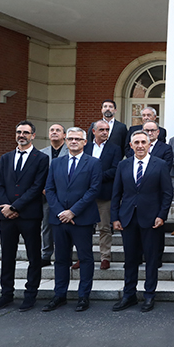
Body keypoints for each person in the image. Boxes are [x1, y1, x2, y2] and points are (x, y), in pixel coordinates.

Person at [0, 121, 49, 312]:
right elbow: (0, 185)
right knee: (7, 256)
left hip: (29, 215)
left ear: (33, 135)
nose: (21, 135)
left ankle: (30, 294)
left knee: (33, 256)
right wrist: (6, 207)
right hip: (6, 216)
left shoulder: (41, 159)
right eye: (18, 132)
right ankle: (6, 294)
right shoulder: (5, 158)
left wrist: (15, 206)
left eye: (25, 132)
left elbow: (37, 187)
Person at [111, 130, 173, 313]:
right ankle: (129, 294)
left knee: (151, 259)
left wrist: (162, 215)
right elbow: (116, 193)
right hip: (128, 218)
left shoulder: (160, 164)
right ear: (131, 146)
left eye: (143, 142)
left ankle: (149, 295)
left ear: (148, 145)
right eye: (136, 142)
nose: (139, 146)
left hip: (152, 219)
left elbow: (167, 193)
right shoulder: (123, 165)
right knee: (130, 259)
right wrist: (114, 217)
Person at [42, 127, 102, 312]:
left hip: (82, 219)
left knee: (85, 258)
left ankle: (83, 296)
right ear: (66, 141)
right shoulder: (56, 163)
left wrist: (73, 212)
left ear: (85, 142)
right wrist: (61, 212)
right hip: (59, 220)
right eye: (70, 138)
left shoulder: (93, 163)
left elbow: (93, 190)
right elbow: (49, 190)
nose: (74, 141)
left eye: (78, 138)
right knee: (60, 259)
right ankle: (59, 294)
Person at [84, 120, 122, 270]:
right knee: (84, 227)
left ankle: (105, 257)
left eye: (107, 130)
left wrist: (95, 176)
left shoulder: (115, 149)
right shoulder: (85, 147)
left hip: (104, 194)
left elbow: (115, 169)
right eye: (102, 130)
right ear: (94, 131)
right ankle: (83, 256)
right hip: (85, 194)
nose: (105, 132)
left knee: (105, 227)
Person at [38, 123, 68, 267]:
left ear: (64, 135)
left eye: (58, 130)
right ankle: (46, 254)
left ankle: (65, 254)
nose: (54, 132)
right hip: (47, 196)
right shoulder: (41, 153)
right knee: (46, 226)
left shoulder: (71, 151)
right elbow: (38, 175)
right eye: (52, 130)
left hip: (66, 196)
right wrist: (44, 189)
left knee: (65, 227)